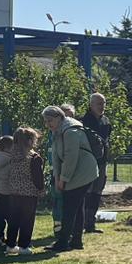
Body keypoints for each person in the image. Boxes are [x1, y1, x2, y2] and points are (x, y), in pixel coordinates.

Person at [44, 104, 98, 253]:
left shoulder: (71, 131)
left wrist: (63, 179)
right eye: (46, 121)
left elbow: (70, 158)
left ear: (59, 117)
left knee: (69, 207)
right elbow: (56, 157)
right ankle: (76, 241)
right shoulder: (58, 131)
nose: (48, 124)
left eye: (50, 120)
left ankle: (63, 242)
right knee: (77, 206)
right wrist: (57, 178)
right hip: (75, 172)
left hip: (83, 172)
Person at [0, 127, 44, 255]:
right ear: (29, 141)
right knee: (27, 220)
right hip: (29, 193)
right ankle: (24, 245)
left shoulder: (11, 156)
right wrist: (41, 189)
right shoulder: (33, 157)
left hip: (14, 192)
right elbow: (37, 176)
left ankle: (11, 245)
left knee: (14, 220)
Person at [81, 92, 111, 234]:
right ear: (91, 104)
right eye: (99, 103)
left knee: (97, 191)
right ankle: (81, 223)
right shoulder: (84, 121)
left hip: (102, 161)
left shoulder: (106, 121)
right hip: (88, 161)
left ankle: (91, 224)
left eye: (103, 103)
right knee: (87, 192)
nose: (102, 106)